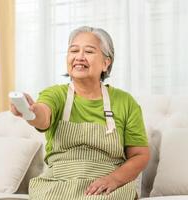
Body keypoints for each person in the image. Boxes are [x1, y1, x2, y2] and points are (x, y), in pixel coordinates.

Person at [10, 26, 149, 200]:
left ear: (106, 63)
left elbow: (140, 155)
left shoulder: (125, 102)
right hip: (58, 184)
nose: (79, 57)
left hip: (105, 187)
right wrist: (30, 110)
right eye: (73, 50)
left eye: (89, 51)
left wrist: (114, 179)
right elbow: (43, 116)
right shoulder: (55, 94)